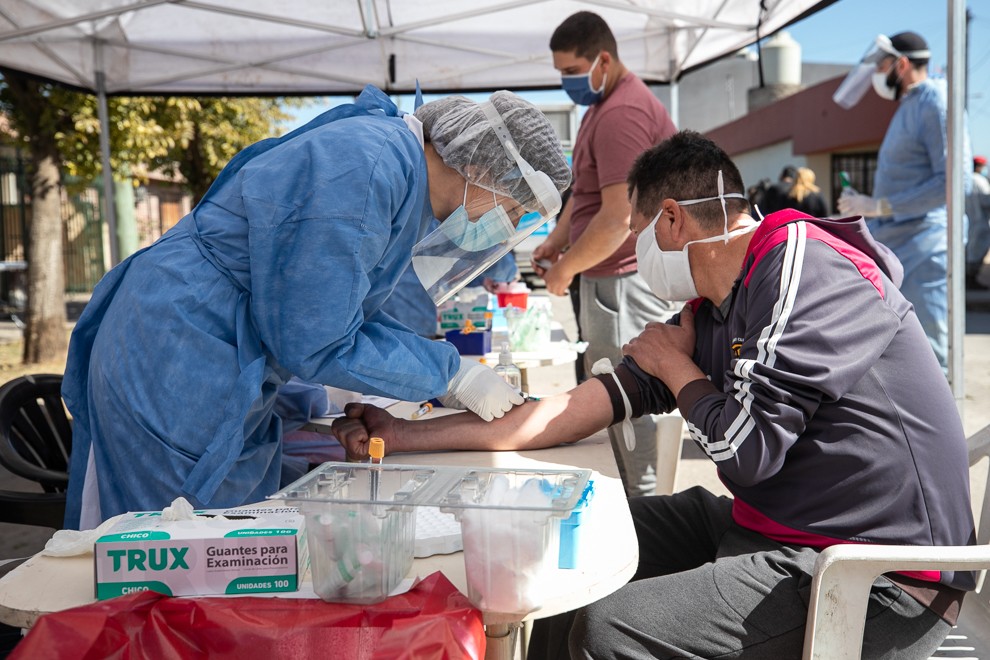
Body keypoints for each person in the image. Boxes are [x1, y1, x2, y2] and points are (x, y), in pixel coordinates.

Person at [334, 130, 976, 659]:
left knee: (610, 628)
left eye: (636, 231)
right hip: (780, 533)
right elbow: (565, 411)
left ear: (670, 220)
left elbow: (748, 453)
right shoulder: (714, 308)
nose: (635, 250)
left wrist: (675, 369)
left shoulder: (804, 273)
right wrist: (399, 432)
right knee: (558, 550)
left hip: (874, 580)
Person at [60, 86, 570, 529]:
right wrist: (449, 374)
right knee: (182, 541)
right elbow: (318, 335)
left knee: (233, 537)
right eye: (514, 210)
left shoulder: (391, 165)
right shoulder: (369, 170)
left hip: (206, 341)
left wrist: (449, 369)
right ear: (480, 168)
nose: (506, 227)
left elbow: (343, 308)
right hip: (179, 353)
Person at [530, 10, 679, 497]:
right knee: (611, 392)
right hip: (611, 279)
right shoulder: (603, 106)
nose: (566, 82)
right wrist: (558, 238)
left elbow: (617, 217)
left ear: (604, 60)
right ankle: (634, 500)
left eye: (573, 71)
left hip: (623, 282)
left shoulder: (620, 114)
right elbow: (590, 190)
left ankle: (644, 511)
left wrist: (565, 269)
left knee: (625, 398)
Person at [836, 31, 972, 372]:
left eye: (881, 66)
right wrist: (865, 203)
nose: (878, 76)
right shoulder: (911, 105)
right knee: (909, 353)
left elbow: (955, 181)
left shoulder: (934, 101)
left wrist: (880, 206)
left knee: (933, 356)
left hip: (926, 245)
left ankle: (943, 424)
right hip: (903, 244)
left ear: (903, 63)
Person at [966, 155, 990, 289]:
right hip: (979, 223)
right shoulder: (980, 181)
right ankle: (971, 281)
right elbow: (986, 201)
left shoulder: (967, 179)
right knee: (976, 253)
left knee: (970, 252)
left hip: (970, 222)